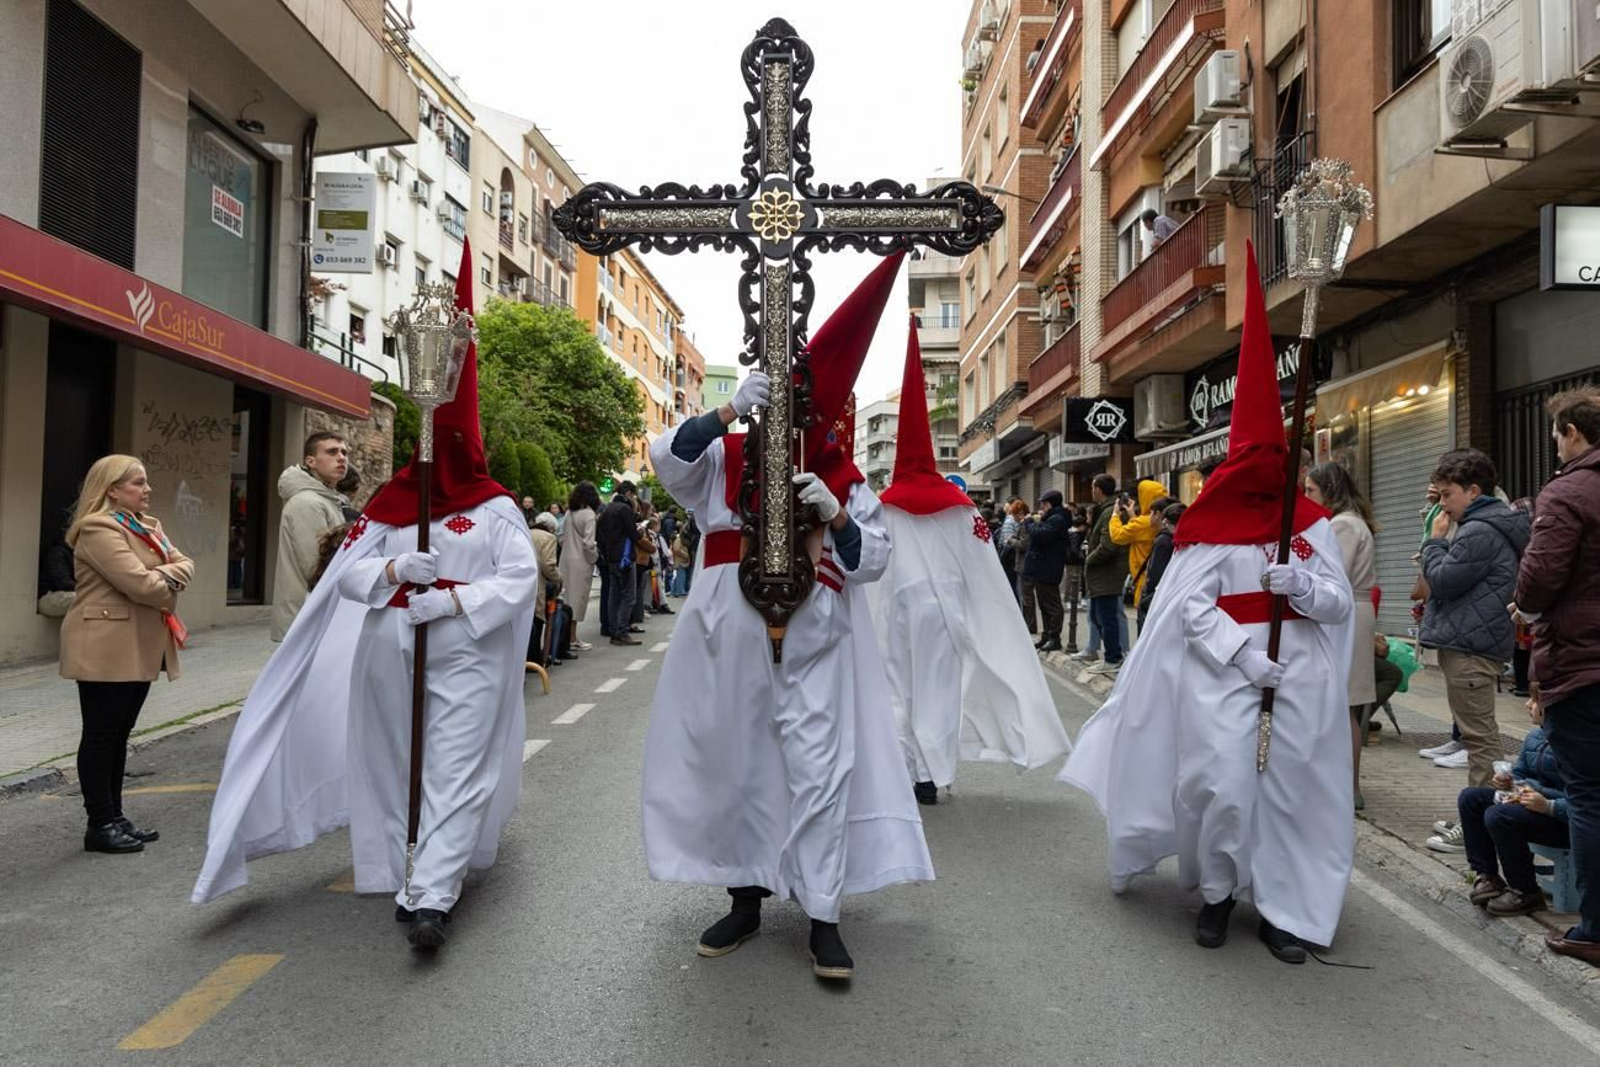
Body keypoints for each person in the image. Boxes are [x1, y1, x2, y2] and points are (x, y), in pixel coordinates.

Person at [194, 249, 539, 952]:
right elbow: (343, 577)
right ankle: (397, 868)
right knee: (391, 760)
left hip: (465, 650)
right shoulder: (391, 505)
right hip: (391, 645)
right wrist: (388, 575)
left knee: (457, 767)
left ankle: (433, 895)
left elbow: (519, 578)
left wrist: (456, 600)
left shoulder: (496, 508)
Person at [1060, 242, 1356, 964]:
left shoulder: (1309, 527)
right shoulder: (1206, 531)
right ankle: (1219, 890)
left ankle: (1285, 905)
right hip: (1228, 674)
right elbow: (1186, 609)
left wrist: (1307, 587)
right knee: (1222, 786)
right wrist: (1244, 652)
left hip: (1300, 678)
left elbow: (1340, 606)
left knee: (1292, 792)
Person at [641, 254, 932, 981]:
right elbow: (666, 460)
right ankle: (745, 895)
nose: (810, 411)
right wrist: (726, 410)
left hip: (816, 645)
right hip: (726, 642)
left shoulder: (846, 479)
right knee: (736, 770)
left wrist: (835, 515)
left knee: (820, 772)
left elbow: (871, 561)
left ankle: (824, 914)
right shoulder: (725, 451)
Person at [869, 321, 1071, 805]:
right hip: (944, 613)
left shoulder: (883, 505)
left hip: (896, 610)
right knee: (938, 693)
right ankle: (930, 773)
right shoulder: (961, 507)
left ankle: (905, 767)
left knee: (898, 688)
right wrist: (994, 618)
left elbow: (871, 561)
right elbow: (983, 565)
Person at [60, 455, 193, 854]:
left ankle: (114, 816)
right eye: (138, 483)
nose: (147, 489)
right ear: (112, 489)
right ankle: (99, 823)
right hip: (106, 643)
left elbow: (186, 563)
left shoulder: (146, 527)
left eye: (146, 482)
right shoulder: (98, 528)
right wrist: (167, 577)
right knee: (101, 735)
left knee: (120, 734)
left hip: (138, 641)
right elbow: (140, 586)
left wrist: (166, 575)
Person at [1513, 387, 1600, 965]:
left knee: (1591, 794)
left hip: (1584, 661)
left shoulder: (1568, 490)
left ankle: (1594, 927)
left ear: (1571, 432)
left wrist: (1525, 608)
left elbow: (1540, 579)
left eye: (1556, 433)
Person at [1417, 449, 1529, 833]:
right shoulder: (1487, 525)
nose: (1442, 503)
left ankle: (1481, 826)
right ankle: (1480, 818)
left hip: (1470, 648)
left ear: (1474, 490)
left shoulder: (1479, 530)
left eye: (1448, 494)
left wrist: (1434, 543)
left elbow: (1445, 581)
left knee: (1479, 742)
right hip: (1475, 642)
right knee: (1478, 738)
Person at [1305, 462, 1379, 811]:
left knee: (1343, 703)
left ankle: (1348, 787)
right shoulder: (1342, 523)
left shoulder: (1343, 525)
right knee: (1342, 703)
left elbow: (1334, 573)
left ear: (1329, 492)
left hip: (1345, 616)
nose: (1307, 497)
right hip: (1349, 613)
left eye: (1311, 491)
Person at [1457, 727, 1569, 917]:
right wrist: (1508, 782)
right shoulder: (1535, 736)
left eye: (1534, 701)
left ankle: (1526, 891)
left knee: (1498, 815)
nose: (1528, 704)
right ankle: (1488, 876)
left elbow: (1586, 802)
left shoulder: (1582, 743)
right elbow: (1520, 773)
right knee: (1471, 798)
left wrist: (1549, 805)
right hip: (1532, 804)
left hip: (1567, 823)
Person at [271, 432, 349, 641]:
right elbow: (317, 566)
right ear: (310, 461)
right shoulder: (308, 502)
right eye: (332, 452)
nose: (341, 457)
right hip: (307, 619)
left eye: (344, 452)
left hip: (316, 615)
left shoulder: (326, 499)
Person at [1081, 474, 1129, 673]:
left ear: (1098, 489)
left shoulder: (1111, 511)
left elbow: (1108, 546)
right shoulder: (1105, 509)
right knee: (1097, 615)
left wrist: (1089, 559)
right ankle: (1111, 655)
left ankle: (1113, 657)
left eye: (1093, 487)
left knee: (1106, 617)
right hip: (1102, 574)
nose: (1091, 491)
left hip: (1107, 573)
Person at [1022, 490, 1072, 652]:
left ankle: (1054, 637)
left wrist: (1029, 523)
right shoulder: (1051, 518)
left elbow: (1041, 535)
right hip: (1042, 567)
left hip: (1049, 567)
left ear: (1050, 504)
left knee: (1052, 605)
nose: (1041, 507)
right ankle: (1047, 635)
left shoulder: (1057, 519)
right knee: (1043, 604)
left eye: (1043, 504)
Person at [1108, 479, 1166, 619]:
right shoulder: (1162, 519)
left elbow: (1117, 535)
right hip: (1162, 580)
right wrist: (1133, 516)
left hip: (1144, 581)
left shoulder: (1142, 523)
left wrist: (1115, 515)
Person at [596, 481, 642, 646]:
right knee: (628, 596)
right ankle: (622, 632)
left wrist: (606, 553)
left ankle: (613, 630)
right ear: (629, 493)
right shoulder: (625, 509)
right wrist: (640, 530)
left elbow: (598, 534)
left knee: (614, 595)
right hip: (625, 557)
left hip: (611, 558)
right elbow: (633, 534)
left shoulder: (607, 509)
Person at [559, 482, 601, 650]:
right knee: (577, 600)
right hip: (581, 562)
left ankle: (564, 636)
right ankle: (573, 637)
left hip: (565, 559)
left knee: (566, 597)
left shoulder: (569, 512)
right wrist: (594, 557)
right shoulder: (589, 515)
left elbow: (560, 536)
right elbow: (589, 543)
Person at [1139, 502, 1185, 631]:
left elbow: (1155, 574)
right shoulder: (1188, 542)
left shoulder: (1164, 541)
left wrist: (1146, 598)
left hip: (1158, 598)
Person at [528, 512, 564, 666]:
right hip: (538, 584)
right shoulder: (548, 538)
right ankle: (534, 658)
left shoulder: (526, 532)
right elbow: (548, 565)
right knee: (538, 619)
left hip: (523, 583)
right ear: (551, 527)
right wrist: (559, 579)